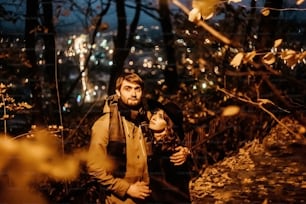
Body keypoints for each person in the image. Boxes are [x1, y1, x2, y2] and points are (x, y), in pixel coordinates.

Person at [87, 73, 151, 203]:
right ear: (118, 92)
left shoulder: (147, 119)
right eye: (127, 88)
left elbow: (164, 144)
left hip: (147, 196)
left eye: (137, 89)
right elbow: (94, 168)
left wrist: (182, 151)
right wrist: (126, 188)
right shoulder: (105, 124)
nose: (133, 94)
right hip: (118, 199)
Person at [147, 100, 192, 204]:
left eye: (161, 117)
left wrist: (186, 152)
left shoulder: (171, 154)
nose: (154, 118)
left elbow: (176, 193)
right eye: (155, 113)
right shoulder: (152, 143)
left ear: (168, 126)